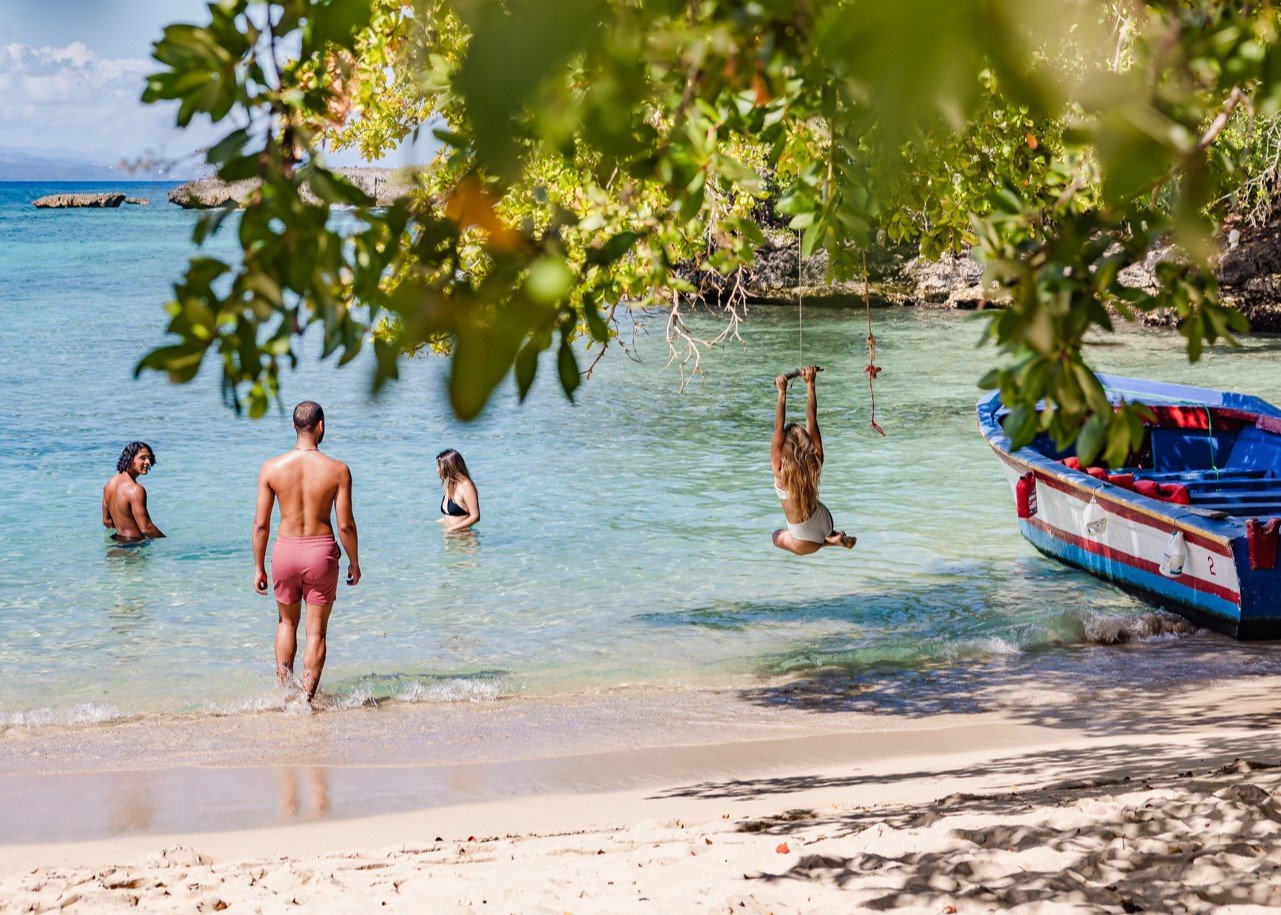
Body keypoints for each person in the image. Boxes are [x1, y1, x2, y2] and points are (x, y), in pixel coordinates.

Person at [252, 401, 361, 705]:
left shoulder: (271, 468)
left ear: (294, 427)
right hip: (320, 552)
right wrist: (354, 561)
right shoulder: (338, 470)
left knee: (286, 623)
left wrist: (259, 566)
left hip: (284, 551)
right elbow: (346, 526)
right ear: (321, 426)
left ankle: (284, 693)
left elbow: (261, 525)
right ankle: (305, 701)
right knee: (316, 633)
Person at [771, 366, 857, 555]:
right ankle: (831, 537)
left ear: (784, 449)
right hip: (824, 521)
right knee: (796, 536)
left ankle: (831, 541)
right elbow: (812, 420)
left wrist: (782, 393)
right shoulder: (814, 461)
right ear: (806, 444)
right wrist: (810, 384)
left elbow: (778, 427)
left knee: (776, 536)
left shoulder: (780, 470)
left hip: (814, 531)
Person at [101, 441, 165, 543]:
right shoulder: (135, 490)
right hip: (134, 547)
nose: (148, 462)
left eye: (149, 458)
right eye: (142, 458)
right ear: (130, 460)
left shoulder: (108, 485)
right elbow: (146, 528)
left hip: (116, 543)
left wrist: (124, 529)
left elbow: (107, 522)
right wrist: (167, 542)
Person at [436, 448, 480, 533]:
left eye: (439, 466)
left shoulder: (466, 486)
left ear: (449, 467)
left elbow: (475, 516)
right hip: (450, 537)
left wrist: (451, 529)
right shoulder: (449, 484)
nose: (437, 470)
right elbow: (450, 516)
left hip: (464, 539)